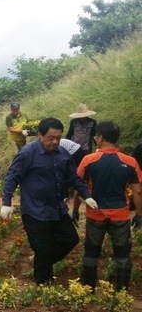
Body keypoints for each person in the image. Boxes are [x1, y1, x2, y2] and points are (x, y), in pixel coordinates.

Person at [0, 117, 94, 285]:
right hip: (34, 210)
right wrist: (6, 203)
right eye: (51, 137)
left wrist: (86, 195)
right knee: (42, 247)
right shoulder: (28, 153)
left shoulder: (63, 153)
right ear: (40, 135)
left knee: (70, 239)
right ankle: (43, 283)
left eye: (58, 137)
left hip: (57, 208)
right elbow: (12, 177)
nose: (55, 141)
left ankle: (40, 263)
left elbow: (73, 177)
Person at [73, 121, 142, 291]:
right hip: (120, 216)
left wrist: (74, 210)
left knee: (91, 252)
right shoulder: (131, 161)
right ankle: (122, 291)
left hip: (95, 215)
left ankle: (88, 289)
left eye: (96, 135)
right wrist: (139, 214)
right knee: (123, 254)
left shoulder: (88, 160)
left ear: (100, 138)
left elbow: (78, 189)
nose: (95, 138)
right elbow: (138, 191)